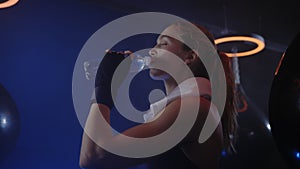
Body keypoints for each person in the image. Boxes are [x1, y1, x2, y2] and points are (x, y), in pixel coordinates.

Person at [79, 21, 238, 169]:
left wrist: (104, 85)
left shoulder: (194, 108)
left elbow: (94, 155)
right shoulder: (183, 105)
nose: (152, 50)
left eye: (163, 44)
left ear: (190, 57)